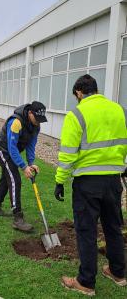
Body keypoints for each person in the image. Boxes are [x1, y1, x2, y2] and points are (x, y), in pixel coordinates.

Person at [54, 74, 127, 296]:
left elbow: (67, 154)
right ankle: (118, 272)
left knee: (86, 231)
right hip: (114, 181)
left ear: (79, 92)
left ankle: (85, 282)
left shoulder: (76, 114)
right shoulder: (119, 110)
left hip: (87, 183)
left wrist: (59, 181)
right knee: (113, 227)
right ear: (96, 89)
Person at [0, 101, 47, 232]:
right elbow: (11, 147)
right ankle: (18, 218)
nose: (38, 122)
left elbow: (31, 145)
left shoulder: (36, 126)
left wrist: (31, 162)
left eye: (40, 120)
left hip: (12, 151)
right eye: (37, 119)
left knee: (6, 180)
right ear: (30, 113)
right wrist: (23, 166)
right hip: (2, 150)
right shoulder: (16, 122)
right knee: (15, 180)